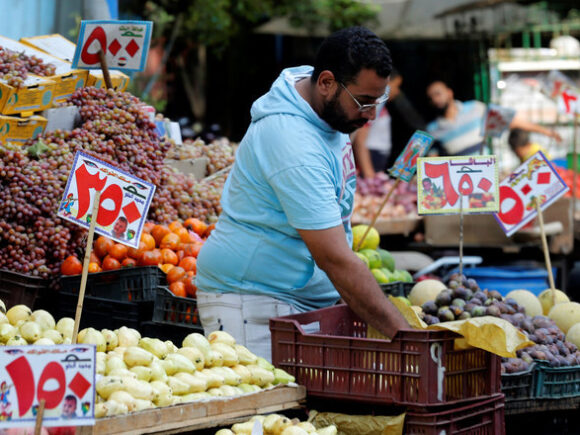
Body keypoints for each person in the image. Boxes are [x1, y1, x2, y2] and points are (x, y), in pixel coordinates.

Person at [196, 26, 409, 359]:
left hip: (295, 298)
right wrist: (406, 337)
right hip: (252, 302)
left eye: (378, 101)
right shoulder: (292, 142)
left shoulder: (321, 104)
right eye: (363, 102)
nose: (370, 114)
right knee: (269, 408)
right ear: (326, 83)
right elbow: (335, 258)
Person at [426, 80, 561, 156]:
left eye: (438, 94)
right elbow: (433, 159)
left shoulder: (474, 108)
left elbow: (511, 122)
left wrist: (547, 132)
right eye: (431, 97)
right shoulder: (432, 129)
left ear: (450, 93)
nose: (435, 99)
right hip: (459, 184)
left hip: (487, 177)